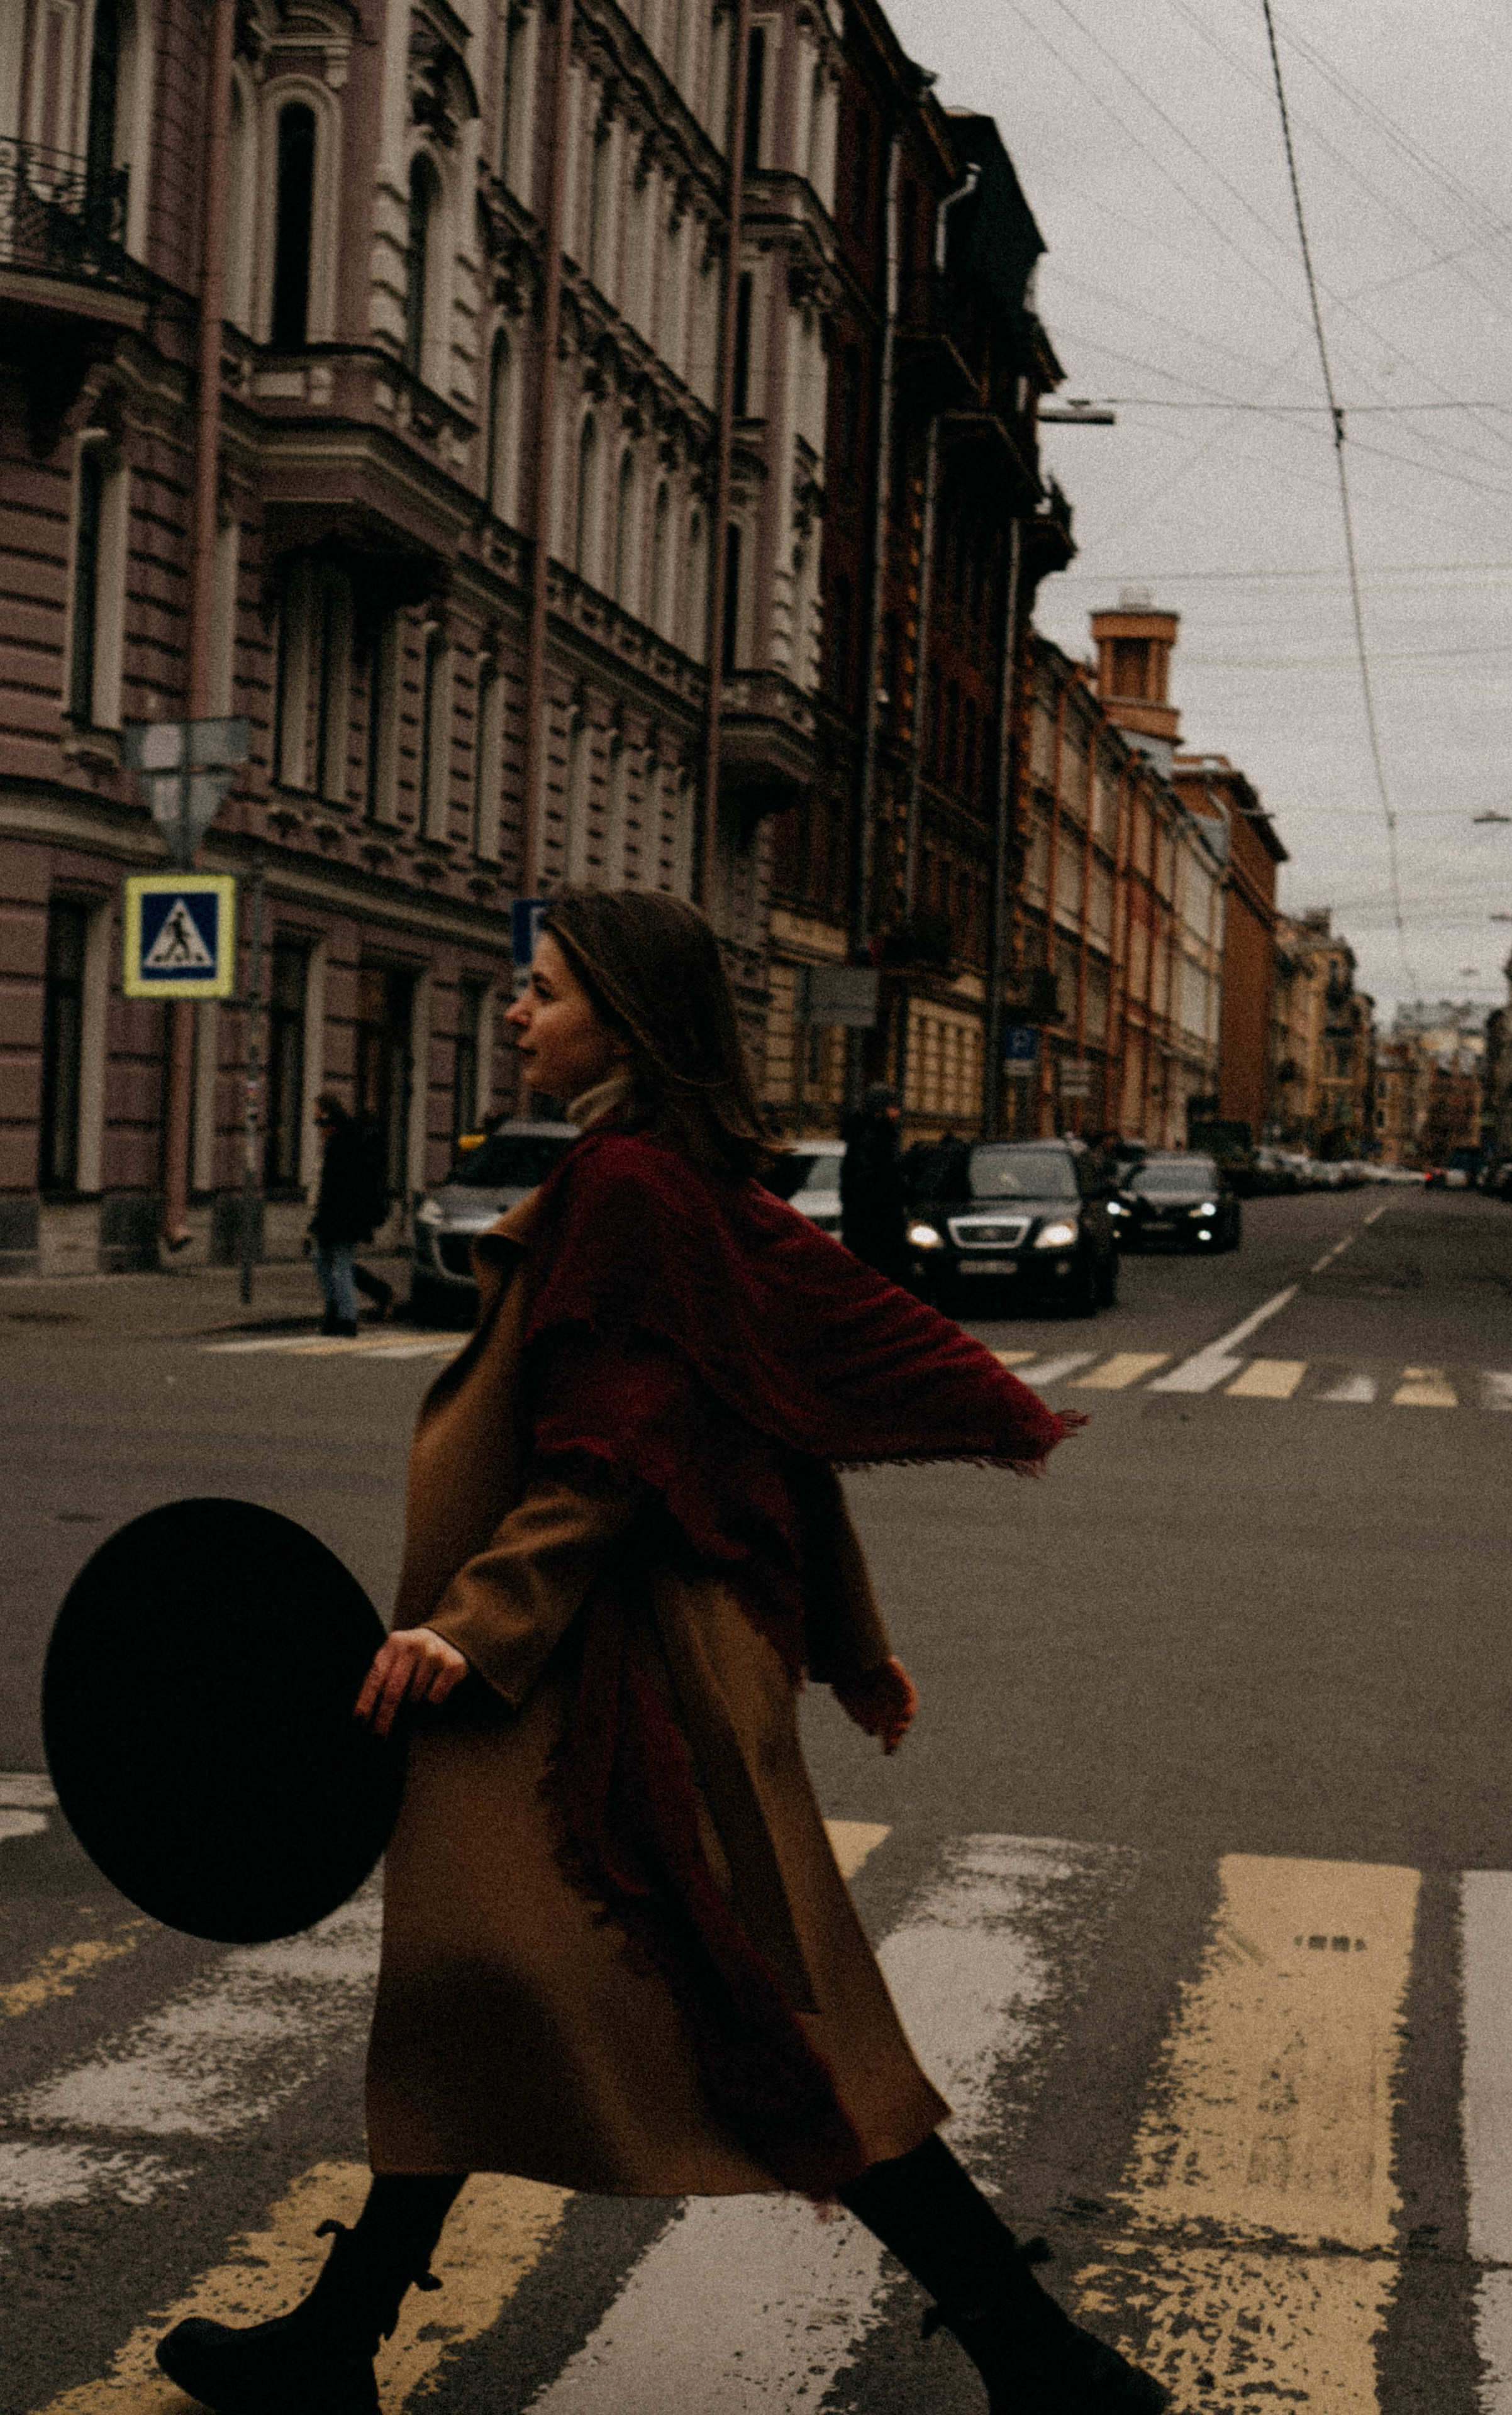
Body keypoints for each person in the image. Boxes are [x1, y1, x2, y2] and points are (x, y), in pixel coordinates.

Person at [156, 891, 1165, 2415]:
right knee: (486, 1988)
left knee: (738, 2002)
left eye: (542, 990)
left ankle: (1036, 2353)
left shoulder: (627, 1185)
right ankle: (338, 2335)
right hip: (620, 1654)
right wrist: (838, 1638)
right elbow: (749, 1420)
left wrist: (469, 1625)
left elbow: (616, 1451)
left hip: (606, 1674)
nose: (515, 1011)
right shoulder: (665, 1174)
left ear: (619, 1020)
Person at [309, 1093, 393, 1337]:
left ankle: (346, 1319)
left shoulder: (343, 1141)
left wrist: (324, 1217)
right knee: (323, 1260)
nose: (319, 1129)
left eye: (319, 1120)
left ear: (327, 1116)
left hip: (342, 1217)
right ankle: (337, 1312)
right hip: (339, 1216)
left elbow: (337, 1187)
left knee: (341, 1265)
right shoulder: (343, 1139)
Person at [840, 1079, 910, 1280]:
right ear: (879, 1110)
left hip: (870, 1225)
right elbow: (873, 1182)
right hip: (874, 1227)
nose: (897, 1114)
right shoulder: (872, 1140)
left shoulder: (871, 1137)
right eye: (893, 1107)